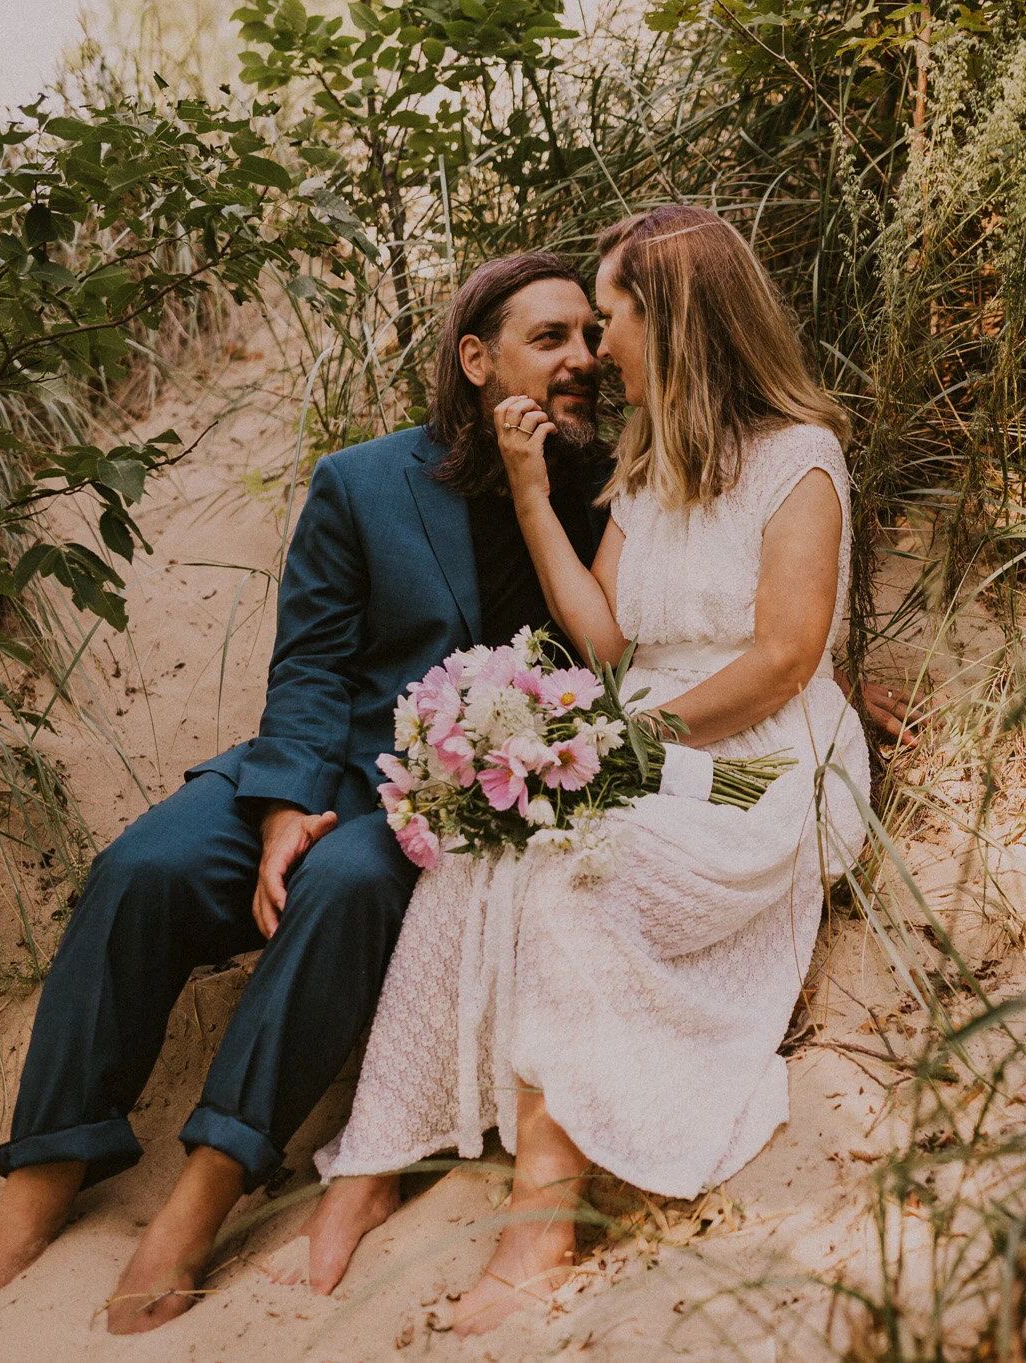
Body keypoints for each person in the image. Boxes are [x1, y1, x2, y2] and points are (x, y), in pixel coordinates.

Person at [0, 251, 616, 1334]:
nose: (581, 359)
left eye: (591, 336)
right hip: (317, 756)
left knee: (345, 886)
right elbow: (308, 662)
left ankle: (208, 1183)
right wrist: (281, 803)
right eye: (552, 339)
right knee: (142, 869)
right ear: (477, 358)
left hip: (454, 798)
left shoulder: (605, 493)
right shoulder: (362, 481)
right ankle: (45, 1172)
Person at [279, 205, 873, 1335]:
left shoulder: (800, 459)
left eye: (610, 321)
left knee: (568, 873)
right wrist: (530, 494)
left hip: (756, 759)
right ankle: (369, 1165)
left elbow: (789, 654)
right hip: (643, 729)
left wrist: (626, 747)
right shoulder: (644, 470)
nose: (596, 351)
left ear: (676, 320)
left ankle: (540, 1225)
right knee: (476, 853)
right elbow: (603, 644)